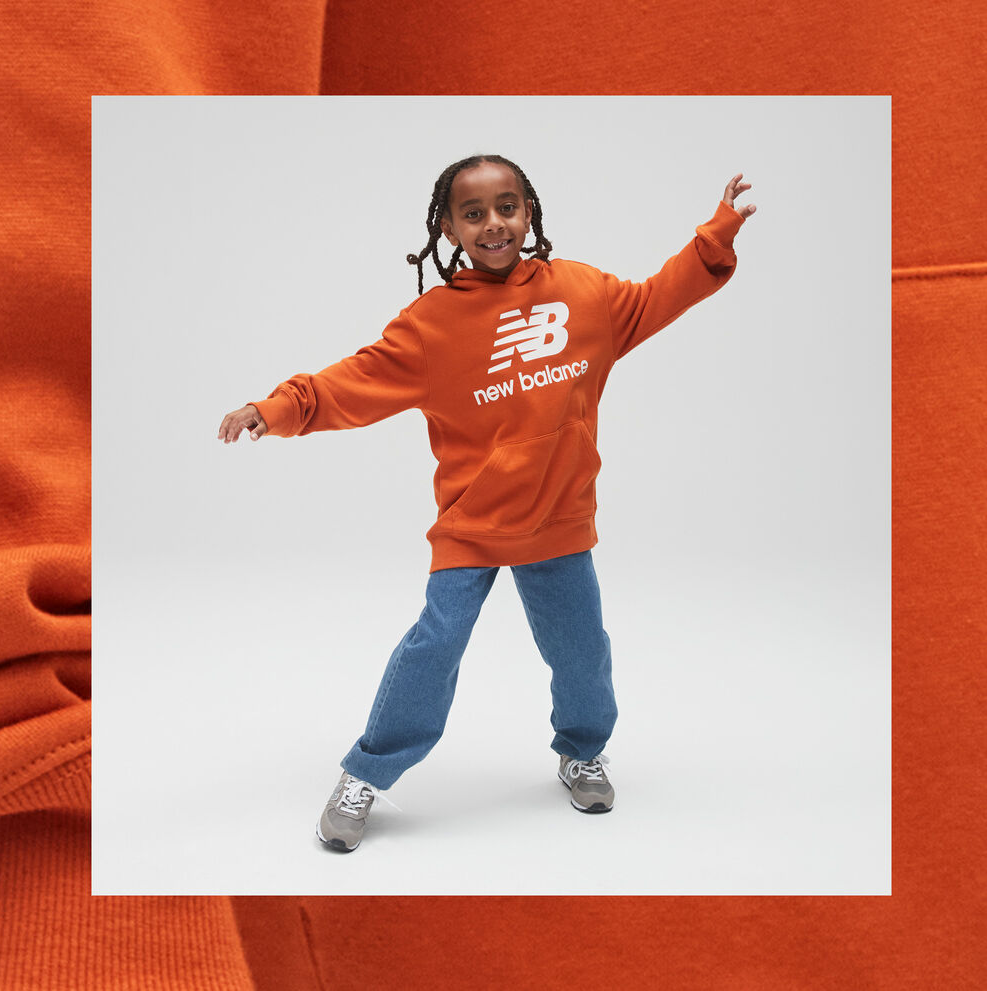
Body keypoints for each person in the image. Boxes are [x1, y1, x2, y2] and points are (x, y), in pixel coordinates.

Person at [217, 154, 755, 852]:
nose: (493, 223)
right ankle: (366, 775)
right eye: (473, 213)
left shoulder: (583, 294)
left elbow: (659, 296)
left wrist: (714, 237)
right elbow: (353, 381)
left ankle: (581, 751)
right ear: (449, 227)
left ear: (529, 211)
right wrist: (275, 408)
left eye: (506, 206)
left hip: (558, 522)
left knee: (582, 650)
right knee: (432, 646)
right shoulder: (431, 325)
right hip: (472, 526)